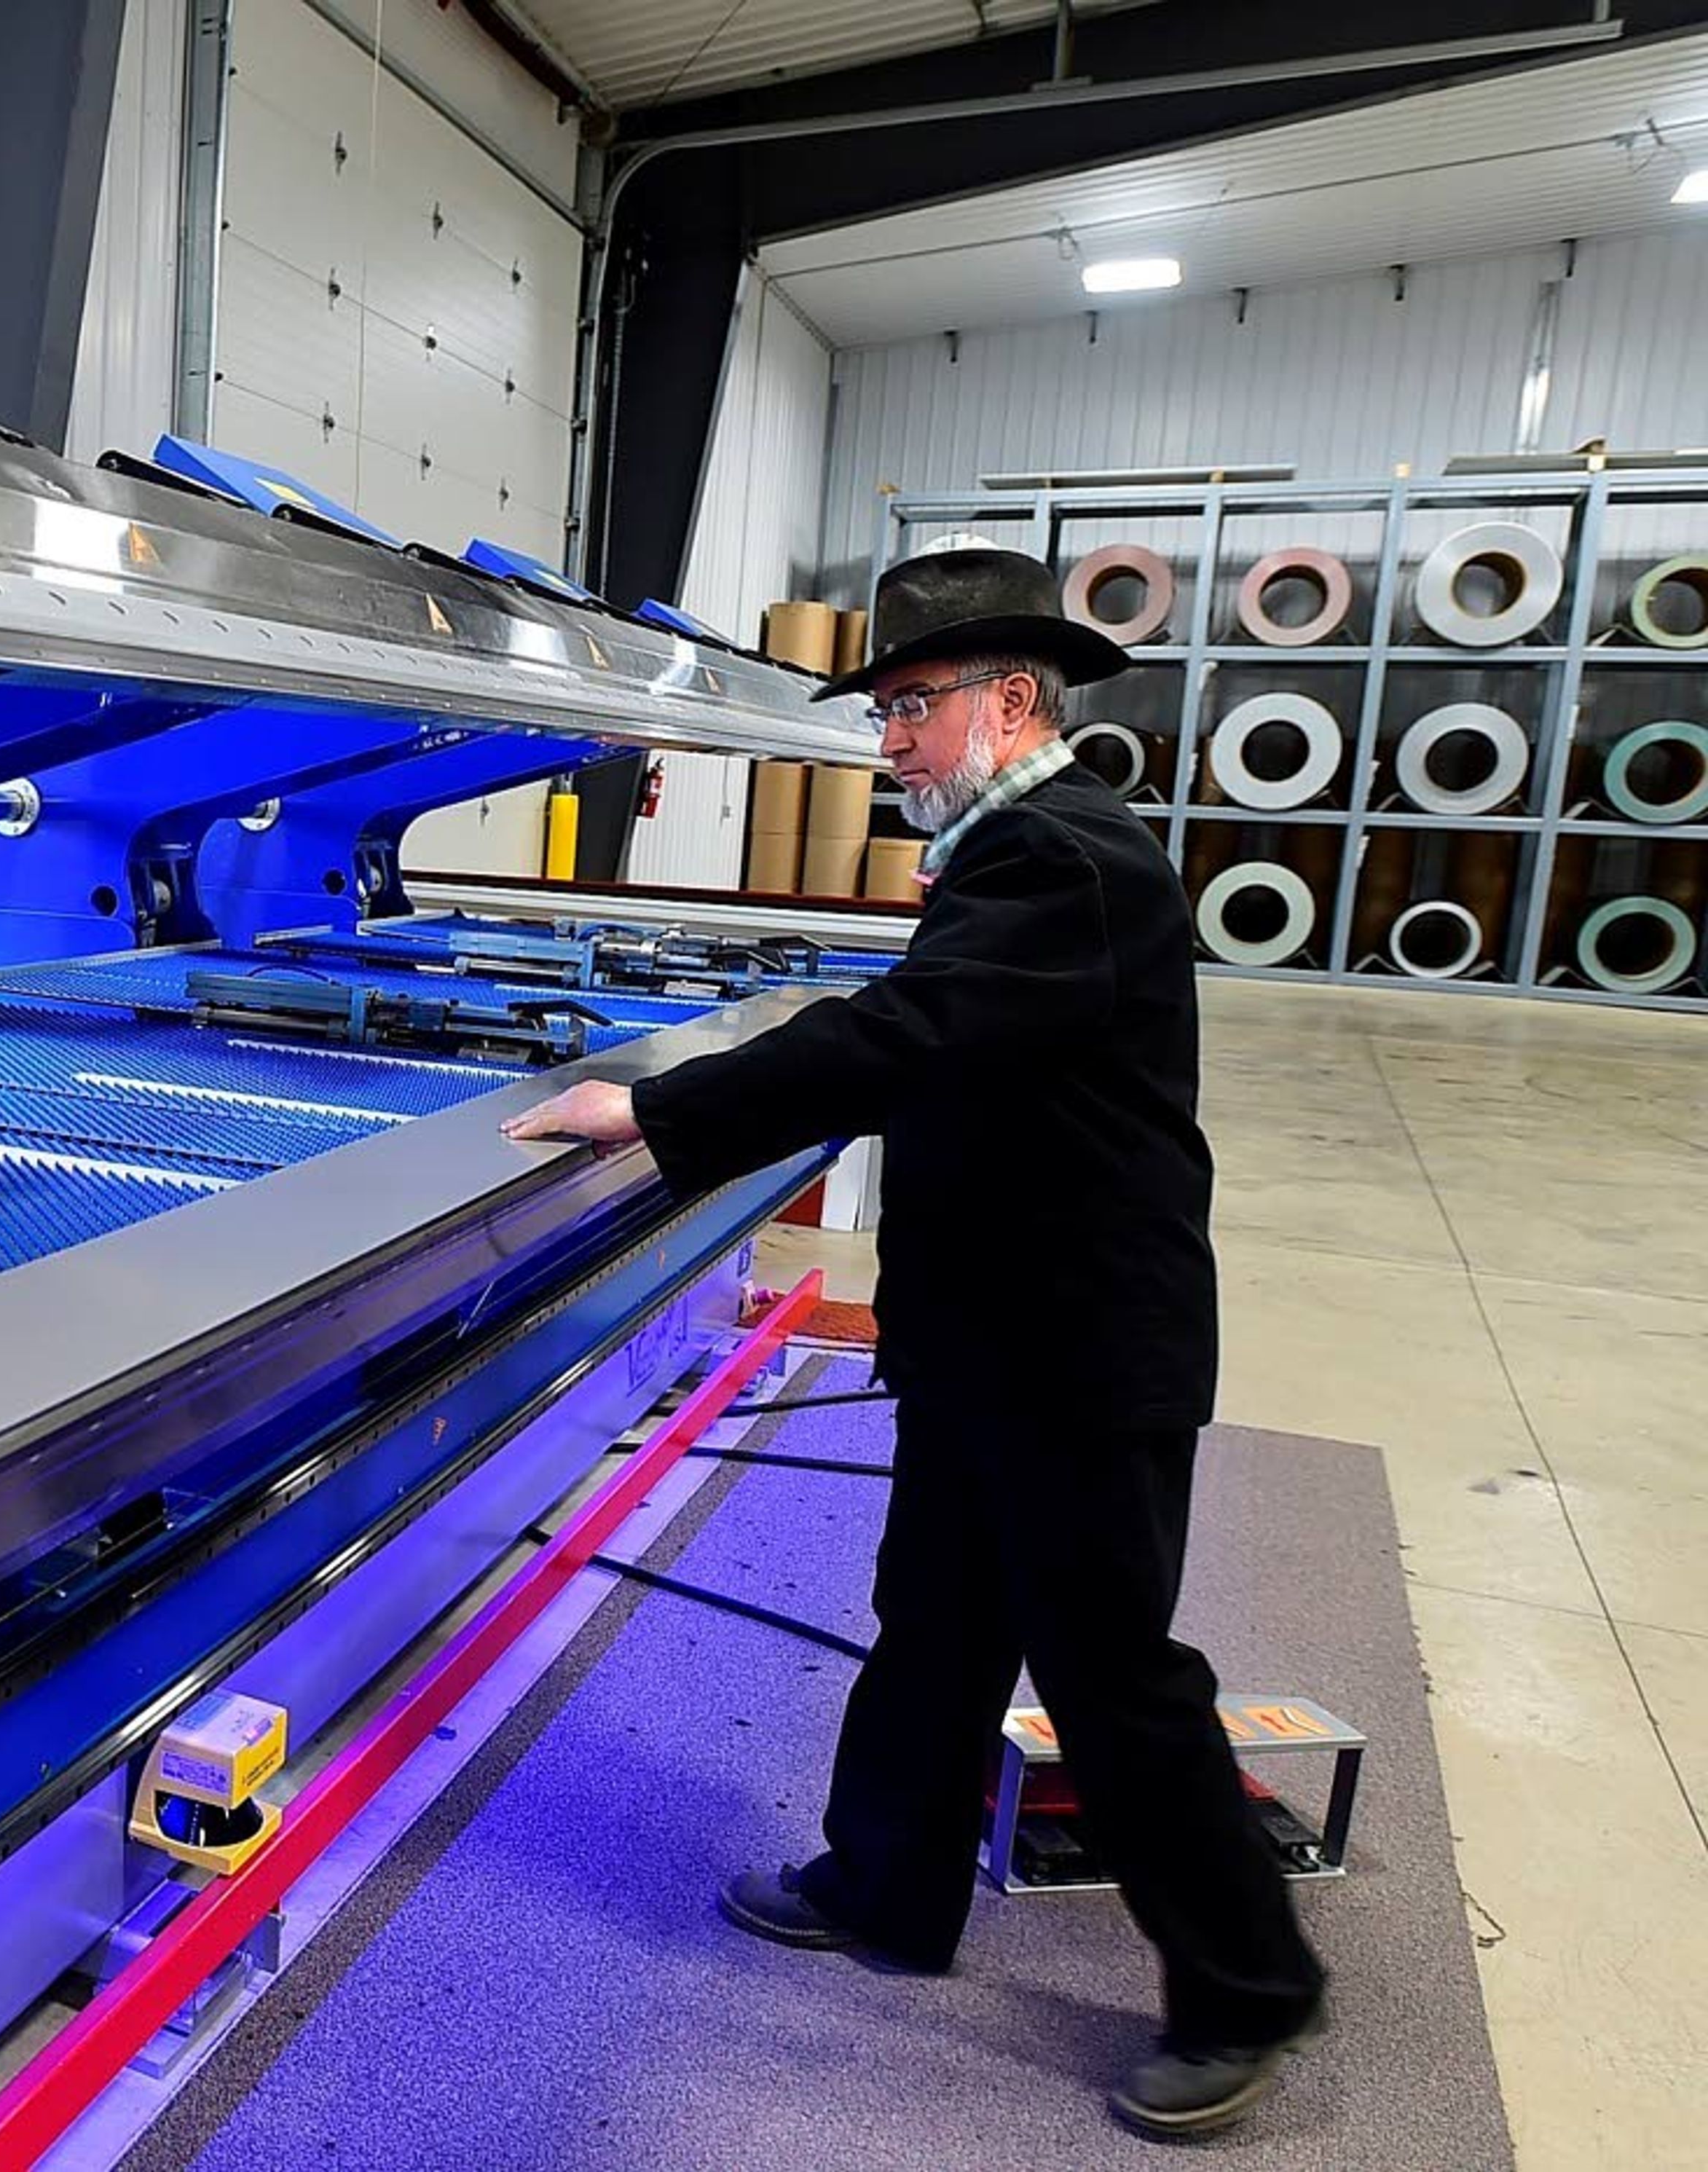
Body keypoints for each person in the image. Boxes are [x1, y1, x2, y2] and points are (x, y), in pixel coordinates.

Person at [503, 548, 1326, 2138]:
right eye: (882, 711)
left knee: (1112, 1676)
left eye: (908, 709)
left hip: (1084, 1353)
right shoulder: (1020, 853)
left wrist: (657, 1109)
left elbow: (907, 1038)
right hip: (990, 1332)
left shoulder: (1064, 861)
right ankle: (888, 1886)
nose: (886, 743)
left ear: (1011, 701)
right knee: (934, 1619)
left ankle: (1246, 1989)